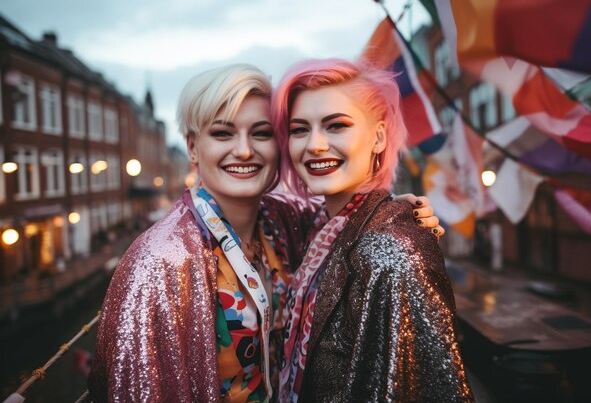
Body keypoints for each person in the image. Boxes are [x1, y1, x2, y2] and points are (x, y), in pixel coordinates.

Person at [88, 63, 440, 402]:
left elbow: (344, 219)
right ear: (193, 147)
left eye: (261, 133)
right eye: (222, 133)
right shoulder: (160, 261)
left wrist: (395, 210)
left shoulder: (282, 220)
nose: (244, 150)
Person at [273, 58, 474, 403]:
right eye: (299, 129)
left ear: (378, 137)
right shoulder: (323, 229)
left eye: (336, 125)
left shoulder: (391, 252)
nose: (315, 145)